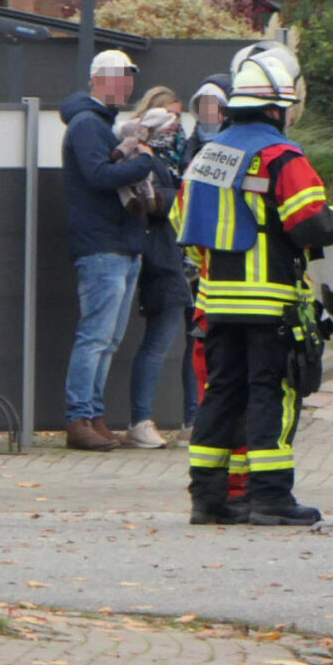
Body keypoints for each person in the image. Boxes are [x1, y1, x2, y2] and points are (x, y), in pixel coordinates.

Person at [178, 47, 333, 525]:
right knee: (269, 393)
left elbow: (183, 226)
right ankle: (270, 497)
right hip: (270, 303)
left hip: (215, 303)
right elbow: (310, 225)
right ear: (277, 109)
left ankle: (208, 500)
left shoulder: (208, 156)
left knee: (220, 394)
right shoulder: (281, 155)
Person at [61, 48, 165, 450]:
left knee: (107, 339)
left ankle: (93, 415)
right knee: (95, 336)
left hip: (120, 245)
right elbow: (100, 176)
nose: (127, 85)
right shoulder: (89, 124)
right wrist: (146, 162)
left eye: (130, 78)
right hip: (103, 245)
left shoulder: (100, 124)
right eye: (120, 77)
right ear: (99, 79)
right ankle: (79, 418)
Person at [122, 87, 192, 448]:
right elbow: (150, 202)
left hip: (189, 256)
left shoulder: (186, 150)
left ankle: (194, 421)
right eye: (167, 115)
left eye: (179, 116)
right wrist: (178, 196)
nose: (174, 123)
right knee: (158, 342)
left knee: (197, 342)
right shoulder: (140, 151)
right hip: (161, 256)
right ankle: (140, 420)